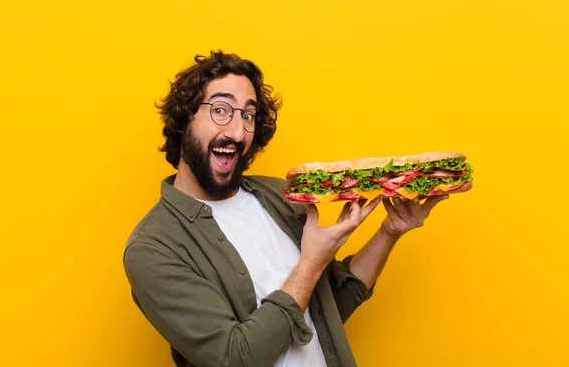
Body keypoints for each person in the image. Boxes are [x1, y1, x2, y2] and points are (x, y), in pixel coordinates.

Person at [123, 50, 449, 367]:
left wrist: (388, 232)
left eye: (248, 115)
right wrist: (311, 261)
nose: (237, 132)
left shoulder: (280, 194)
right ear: (184, 119)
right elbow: (235, 358)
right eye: (221, 110)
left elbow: (326, 311)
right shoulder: (152, 249)